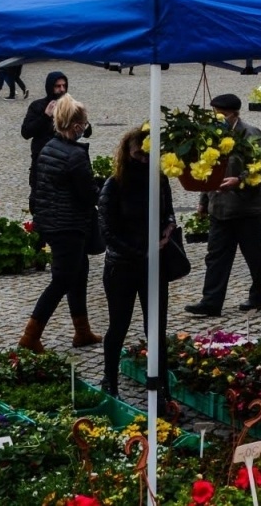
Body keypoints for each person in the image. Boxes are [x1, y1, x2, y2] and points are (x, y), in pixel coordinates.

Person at [99, 125, 176, 398]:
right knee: (118, 326)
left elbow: (168, 212)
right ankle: (109, 381)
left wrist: (168, 229)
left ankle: (162, 387)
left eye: (148, 155)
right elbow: (107, 232)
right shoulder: (115, 184)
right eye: (138, 155)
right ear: (127, 153)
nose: (143, 160)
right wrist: (140, 251)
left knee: (156, 328)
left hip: (153, 266)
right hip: (122, 266)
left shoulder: (160, 180)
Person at [22, 96, 103, 350]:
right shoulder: (75, 156)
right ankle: (30, 336)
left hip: (52, 222)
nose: (84, 127)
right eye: (84, 123)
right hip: (69, 225)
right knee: (61, 281)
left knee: (78, 275)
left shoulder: (48, 147)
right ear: (76, 125)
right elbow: (88, 194)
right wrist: (103, 185)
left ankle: (82, 331)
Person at [186, 93, 261, 316]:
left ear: (233, 114)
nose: (216, 117)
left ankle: (259, 296)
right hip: (219, 208)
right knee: (215, 256)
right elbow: (207, 170)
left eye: (220, 113)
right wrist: (203, 202)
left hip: (247, 208)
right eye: (214, 113)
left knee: (253, 254)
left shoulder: (251, 134)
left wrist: (239, 180)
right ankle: (211, 301)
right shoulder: (211, 136)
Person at [22, 71, 88, 187]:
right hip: (42, 161)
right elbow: (26, 132)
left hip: (65, 160)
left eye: (64, 86)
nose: (62, 89)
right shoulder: (37, 106)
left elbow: (87, 131)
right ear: (50, 87)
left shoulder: (70, 107)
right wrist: (45, 116)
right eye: (58, 86)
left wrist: (82, 120)